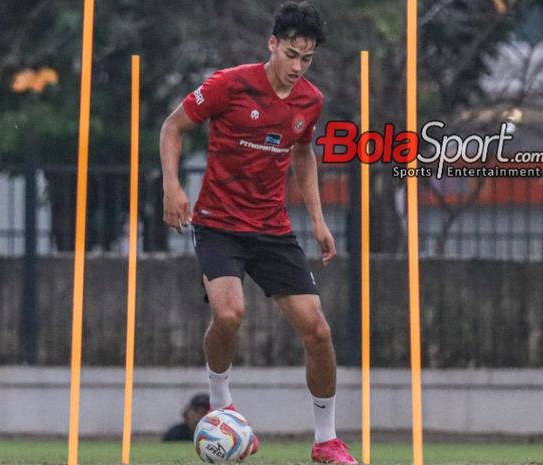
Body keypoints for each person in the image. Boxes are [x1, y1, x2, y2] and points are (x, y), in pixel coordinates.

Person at [159, 2, 357, 464]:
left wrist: (319, 220)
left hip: (272, 229)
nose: (297, 67)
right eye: (291, 54)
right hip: (219, 225)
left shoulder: (310, 100)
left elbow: (304, 155)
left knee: (319, 331)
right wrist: (172, 186)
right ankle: (222, 405)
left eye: (306, 59)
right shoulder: (230, 84)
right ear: (272, 44)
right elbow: (173, 127)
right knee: (229, 315)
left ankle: (326, 440)